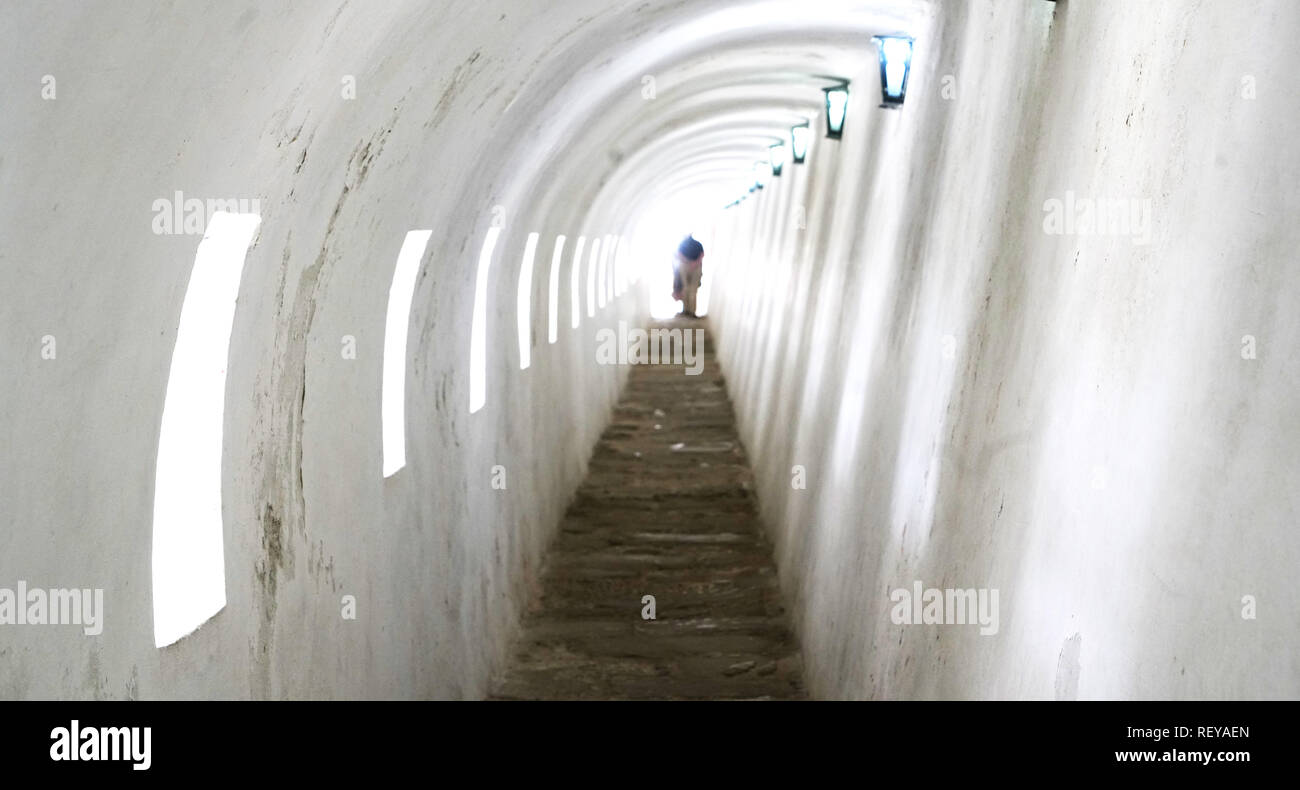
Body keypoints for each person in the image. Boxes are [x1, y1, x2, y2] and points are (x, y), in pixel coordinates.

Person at [673, 235, 704, 318]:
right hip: (687, 266)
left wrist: (694, 263)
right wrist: (689, 262)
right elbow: (678, 254)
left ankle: (691, 312)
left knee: (692, 290)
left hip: (695, 267)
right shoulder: (683, 244)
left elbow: (702, 254)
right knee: (686, 289)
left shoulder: (697, 244)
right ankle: (686, 310)